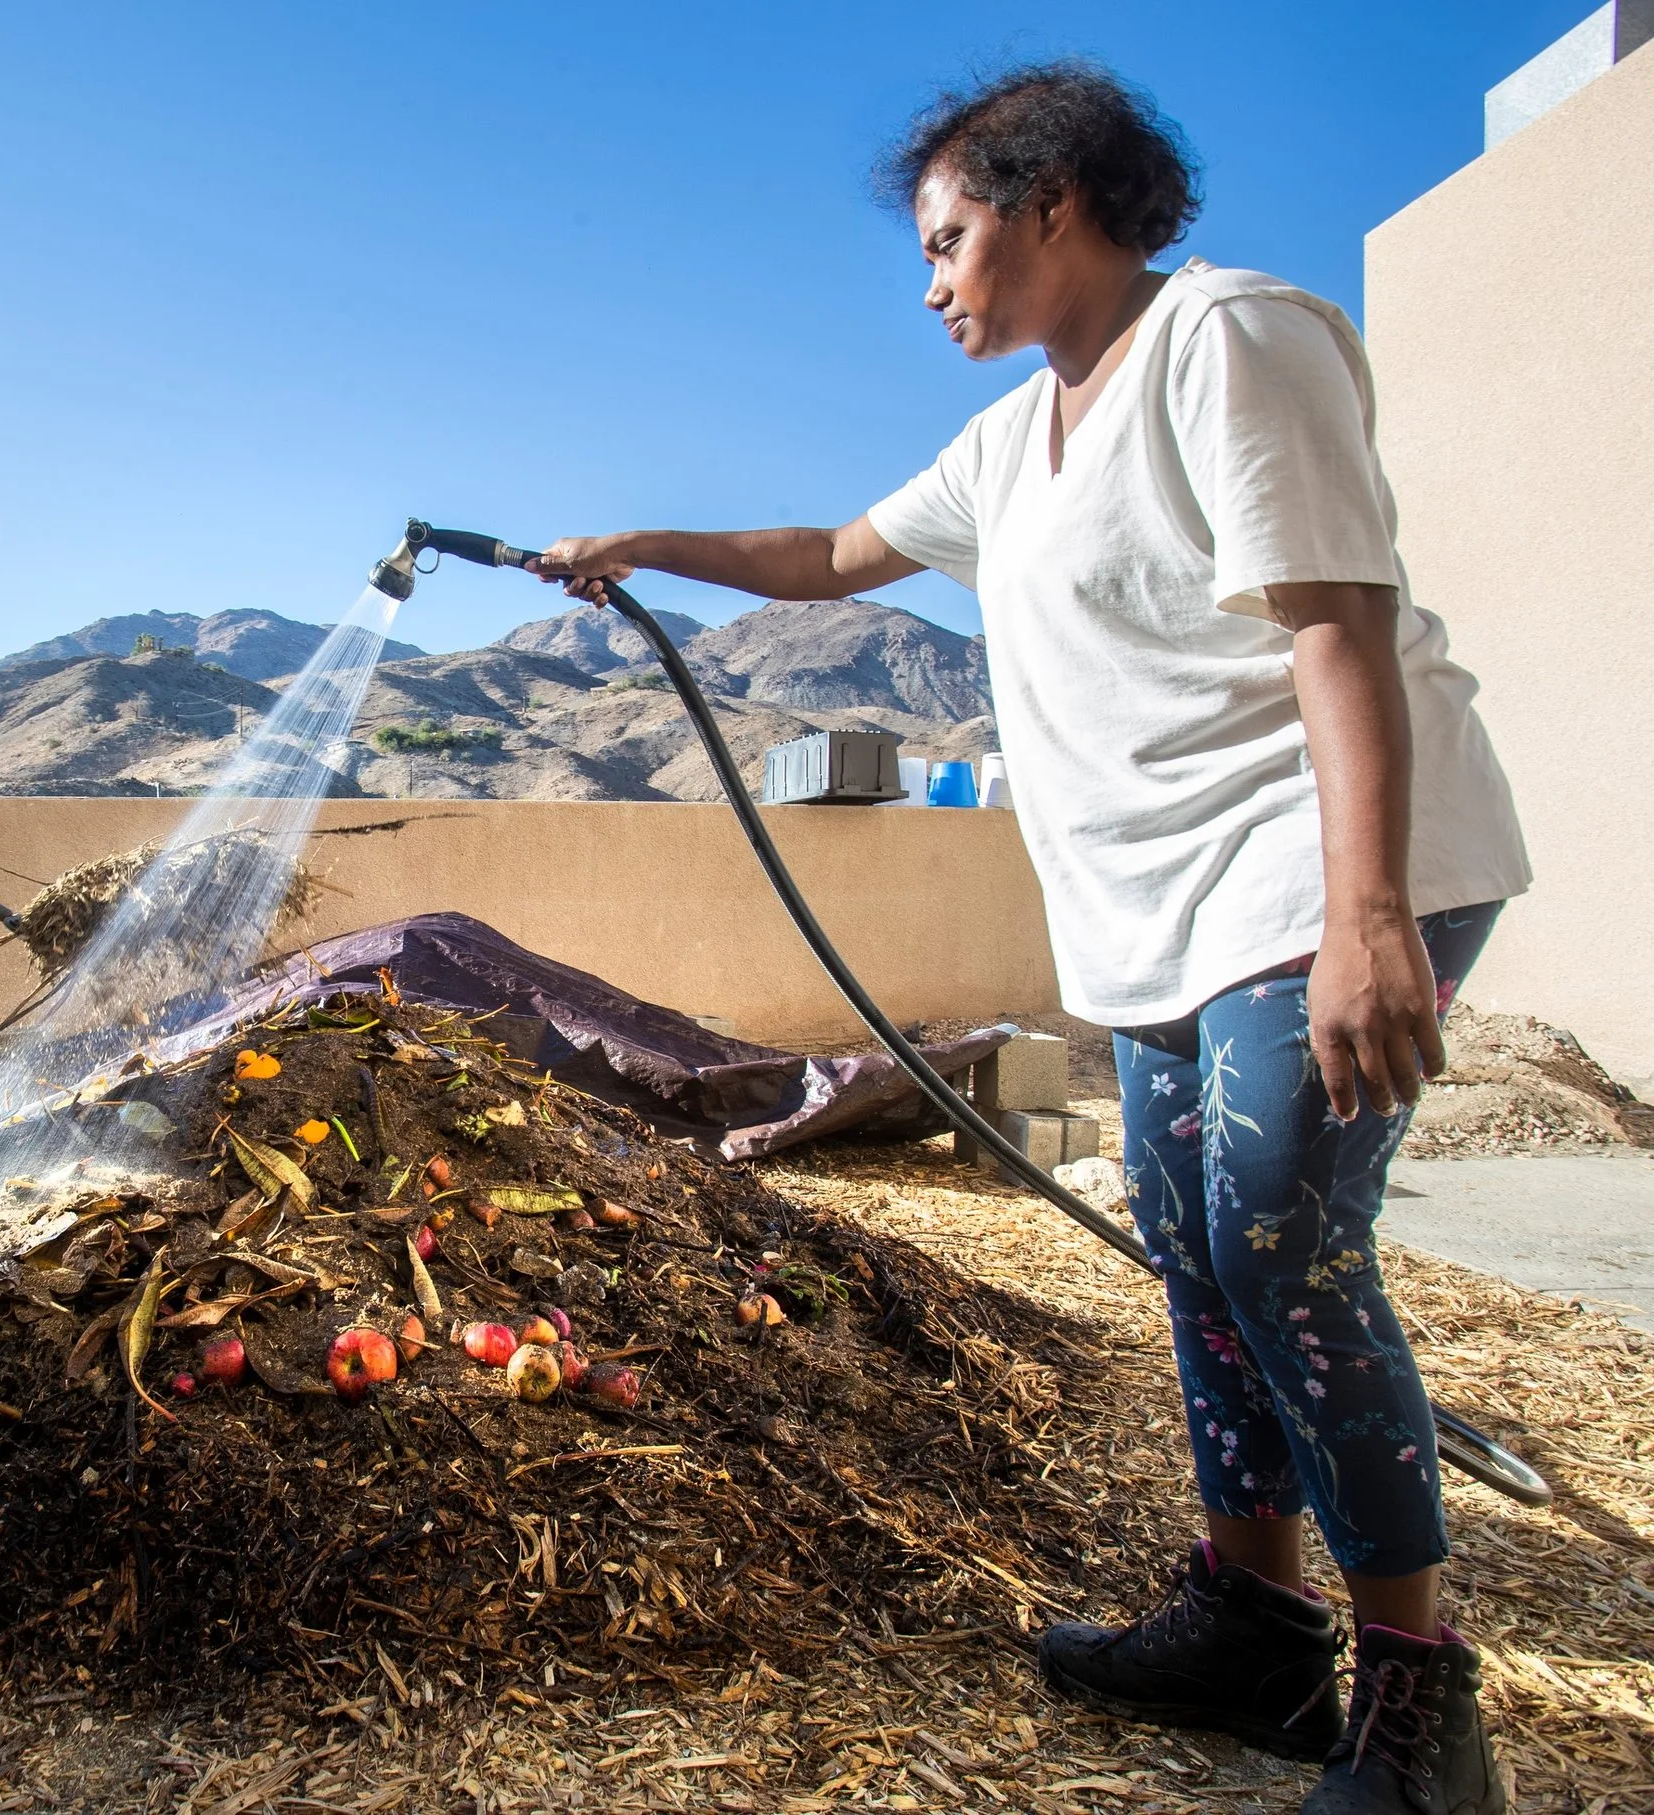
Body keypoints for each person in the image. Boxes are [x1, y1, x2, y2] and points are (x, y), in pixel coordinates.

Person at [534, 63, 1526, 1815]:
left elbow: (1340, 633)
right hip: (1164, 904)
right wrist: (649, 548)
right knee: (1192, 1245)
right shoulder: (1013, 438)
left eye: (948, 236)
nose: (929, 279)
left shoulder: (1232, 341)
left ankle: (1422, 1706)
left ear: (1050, 196)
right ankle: (1257, 1626)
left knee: (1282, 1239)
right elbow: (838, 552)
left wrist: (1370, 920)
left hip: (1329, 868)